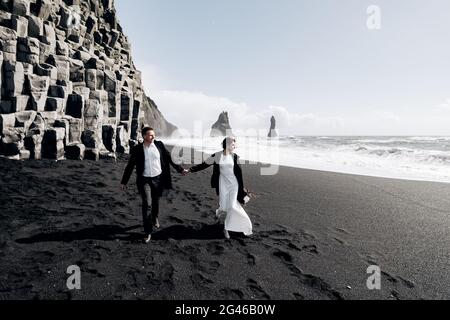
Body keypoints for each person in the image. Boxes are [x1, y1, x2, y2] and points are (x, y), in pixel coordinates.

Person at [120, 127, 188, 243]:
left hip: (158, 179)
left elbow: (169, 158)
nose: (153, 137)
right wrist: (124, 182)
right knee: (147, 204)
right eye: (150, 135)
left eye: (153, 135)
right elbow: (130, 166)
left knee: (155, 201)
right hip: (144, 180)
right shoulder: (137, 149)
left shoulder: (159, 145)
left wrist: (180, 169)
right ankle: (148, 232)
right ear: (144, 136)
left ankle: (155, 217)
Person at [188, 137, 253, 239]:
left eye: (235, 144)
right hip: (223, 184)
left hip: (234, 185)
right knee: (225, 206)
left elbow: (239, 174)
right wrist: (190, 170)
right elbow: (204, 165)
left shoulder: (235, 157)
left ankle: (227, 228)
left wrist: (243, 188)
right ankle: (220, 210)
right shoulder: (217, 156)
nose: (235, 146)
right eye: (233, 144)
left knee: (231, 206)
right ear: (227, 145)